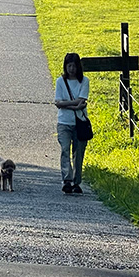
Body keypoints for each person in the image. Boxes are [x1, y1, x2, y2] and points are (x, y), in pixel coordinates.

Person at [54, 51, 90, 194]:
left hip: (80, 122)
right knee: (64, 150)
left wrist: (65, 104)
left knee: (78, 153)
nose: (71, 69)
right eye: (69, 66)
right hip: (64, 122)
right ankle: (67, 180)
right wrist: (74, 105)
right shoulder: (60, 81)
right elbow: (58, 102)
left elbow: (82, 100)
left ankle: (77, 181)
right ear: (65, 66)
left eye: (74, 66)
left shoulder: (84, 81)